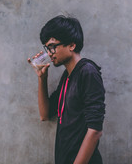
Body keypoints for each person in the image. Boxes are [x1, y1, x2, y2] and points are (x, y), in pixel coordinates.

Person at [28, 15, 106, 164]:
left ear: (71, 45)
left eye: (52, 46)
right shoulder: (67, 75)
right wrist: (42, 78)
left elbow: (95, 130)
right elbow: (45, 115)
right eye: (47, 48)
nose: (49, 53)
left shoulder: (87, 72)